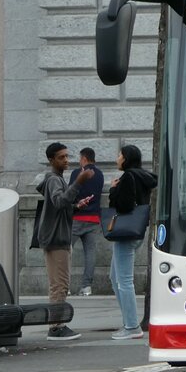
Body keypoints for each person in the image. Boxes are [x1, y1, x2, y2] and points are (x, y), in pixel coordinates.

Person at [37, 142, 94, 341]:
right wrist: (78, 182)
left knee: (61, 283)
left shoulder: (57, 179)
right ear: (51, 160)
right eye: (62, 157)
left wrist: (76, 206)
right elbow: (59, 202)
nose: (66, 160)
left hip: (58, 237)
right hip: (56, 239)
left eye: (67, 156)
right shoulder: (53, 179)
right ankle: (56, 327)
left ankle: (57, 325)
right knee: (59, 285)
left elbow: (62, 207)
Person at [108, 144, 157, 340]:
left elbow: (125, 205)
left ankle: (131, 325)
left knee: (124, 281)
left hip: (125, 233)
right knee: (114, 277)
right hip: (135, 231)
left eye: (119, 154)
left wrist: (113, 191)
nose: (117, 158)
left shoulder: (128, 177)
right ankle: (128, 321)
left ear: (126, 158)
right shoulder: (143, 176)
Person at [68, 148, 104, 296]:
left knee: (65, 251)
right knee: (90, 253)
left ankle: (65, 286)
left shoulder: (77, 173)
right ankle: (86, 286)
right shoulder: (100, 174)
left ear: (83, 158)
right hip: (94, 218)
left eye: (79, 158)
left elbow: (70, 193)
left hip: (77, 217)